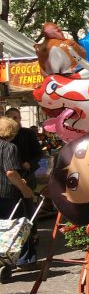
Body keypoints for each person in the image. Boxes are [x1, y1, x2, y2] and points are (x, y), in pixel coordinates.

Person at [0, 117, 36, 272]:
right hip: (9, 194)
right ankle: (23, 259)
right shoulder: (9, 147)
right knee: (17, 226)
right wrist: (24, 189)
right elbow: (10, 172)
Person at [5, 108, 42, 189]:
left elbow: (39, 153)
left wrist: (29, 163)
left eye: (15, 117)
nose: (12, 120)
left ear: (20, 118)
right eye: (9, 118)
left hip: (26, 175)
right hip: (6, 178)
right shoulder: (2, 136)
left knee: (27, 200)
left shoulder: (28, 133)